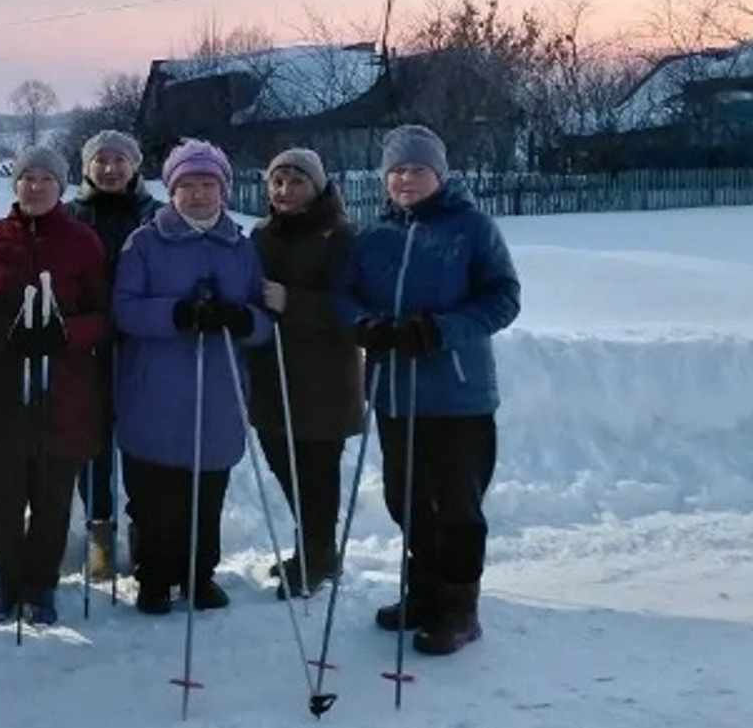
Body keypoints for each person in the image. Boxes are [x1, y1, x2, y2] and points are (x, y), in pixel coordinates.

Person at [339, 124, 521, 656]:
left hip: (457, 395)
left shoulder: (471, 229)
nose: (405, 179)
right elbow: (343, 295)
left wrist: (441, 330)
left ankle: (460, 609)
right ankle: (423, 592)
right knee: (407, 499)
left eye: (417, 169)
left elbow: (504, 298)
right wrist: (364, 325)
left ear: (439, 175)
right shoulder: (375, 236)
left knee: (456, 506)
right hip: (395, 392)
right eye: (396, 170)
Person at [0, 145, 109, 626]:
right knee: (0, 494)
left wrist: (65, 333)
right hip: (0, 390)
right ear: (14, 185)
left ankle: (41, 582)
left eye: (45, 179)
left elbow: (103, 315)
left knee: (52, 496)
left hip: (61, 390)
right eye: (26, 178)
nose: (35, 187)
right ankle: (5, 577)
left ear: (61, 186)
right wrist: (4, 332)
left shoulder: (83, 241)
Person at [112, 139, 274, 615]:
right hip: (155, 390)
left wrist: (243, 319)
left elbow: (263, 317)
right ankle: (155, 576)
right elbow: (124, 310)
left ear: (223, 190)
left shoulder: (240, 247)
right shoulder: (144, 243)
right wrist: (177, 314)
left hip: (217, 391)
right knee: (153, 495)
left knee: (206, 493)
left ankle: (198, 574)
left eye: (207, 185)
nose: (198, 195)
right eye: (187, 186)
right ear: (172, 190)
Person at [247, 148, 363, 599]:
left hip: (324, 377)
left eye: (296, 182)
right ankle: (315, 548)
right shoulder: (260, 235)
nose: (284, 191)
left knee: (316, 472)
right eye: (277, 182)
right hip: (271, 372)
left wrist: (292, 301)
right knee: (284, 464)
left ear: (317, 187)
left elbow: (351, 303)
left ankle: (317, 558)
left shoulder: (340, 237)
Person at [68, 129, 158, 581]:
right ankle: (100, 531)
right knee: (95, 442)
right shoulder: (70, 216)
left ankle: (146, 525)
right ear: (86, 167)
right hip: (89, 346)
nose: (110, 168)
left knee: (144, 437)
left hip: (145, 344)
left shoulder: (157, 216)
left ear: (134, 165)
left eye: (119, 159)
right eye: (100, 160)